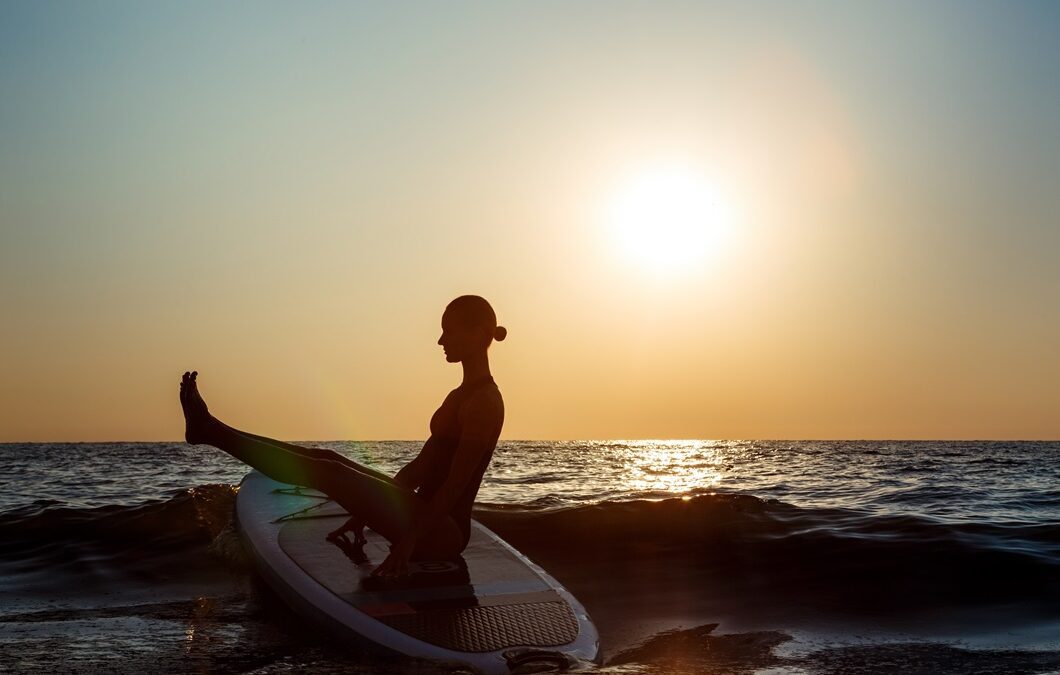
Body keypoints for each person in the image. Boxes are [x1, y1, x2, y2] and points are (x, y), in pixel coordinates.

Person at [179, 295, 506, 578]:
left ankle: (210, 431)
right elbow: (418, 471)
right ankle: (210, 428)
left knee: (329, 473)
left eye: (448, 330)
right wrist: (364, 513)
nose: (440, 340)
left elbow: (454, 487)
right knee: (329, 459)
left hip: (442, 535)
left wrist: (407, 546)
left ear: (477, 333)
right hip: (423, 518)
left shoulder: (484, 403)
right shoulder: (460, 395)